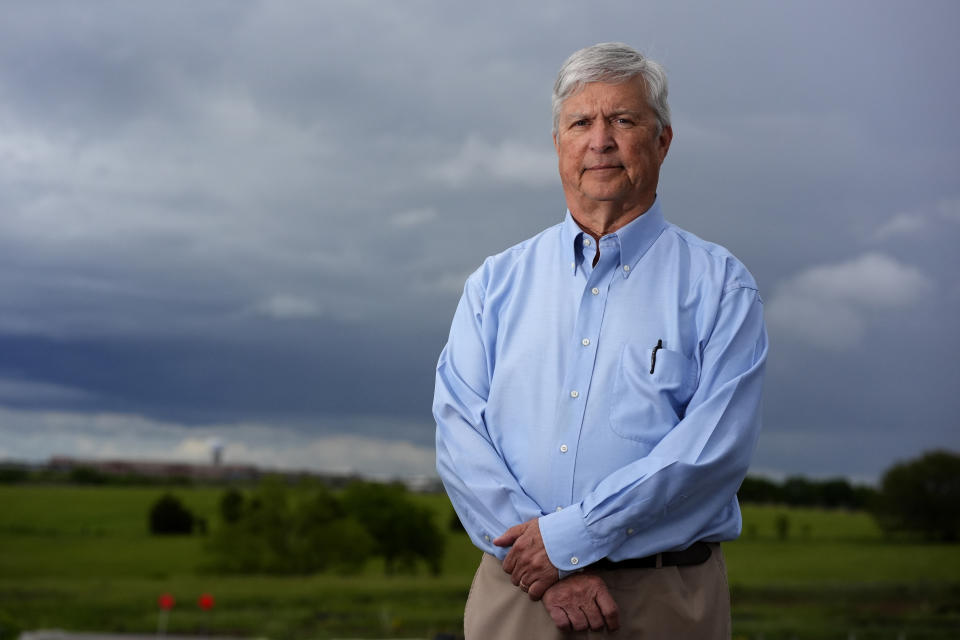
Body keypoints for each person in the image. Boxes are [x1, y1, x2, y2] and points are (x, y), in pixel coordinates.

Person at [434, 42, 767, 638]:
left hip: (663, 600)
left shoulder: (721, 285)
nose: (600, 140)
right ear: (558, 144)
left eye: (623, 120)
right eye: (580, 122)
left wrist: (567, 541)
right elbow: (459, 434)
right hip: (519, 593)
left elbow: (710, 452)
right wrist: (549, 565)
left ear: (662, 141)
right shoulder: (495, 284)